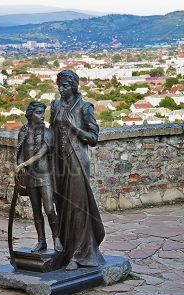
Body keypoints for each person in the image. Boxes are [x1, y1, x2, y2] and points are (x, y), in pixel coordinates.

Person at [50, 70, 105, 270]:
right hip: (58, 161)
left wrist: (75, 128)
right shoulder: (55, 105)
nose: (61, 89)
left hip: (76, 162)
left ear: (73, 86)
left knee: (77, 206)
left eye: (65, 86)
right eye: (59, 86)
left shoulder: (84, 107)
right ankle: (65, 250)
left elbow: (93, 138)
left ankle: (79, 253)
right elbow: (51, 133)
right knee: (62, 206)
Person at [16, 101, 63, 253]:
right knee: (36, 210)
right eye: (38, 113)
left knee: (49, 209)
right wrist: (18, 166)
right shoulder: (23, 131)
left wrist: (24, 164)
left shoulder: (48, 133)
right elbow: (20, 152)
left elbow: (41, 153)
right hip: (30, 176)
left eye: (43, 113)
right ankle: (41, 241)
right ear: (30, 114)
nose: (42, 116)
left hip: (44, 175)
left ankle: (57, 239)